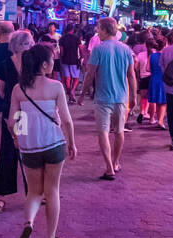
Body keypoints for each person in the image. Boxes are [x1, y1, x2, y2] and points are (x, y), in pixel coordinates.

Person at [10, 44, 77, 238]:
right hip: (53, 144)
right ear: (45, 64)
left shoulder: (18, 89)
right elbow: (66, 120)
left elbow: (14, 120)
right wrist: (72, 143)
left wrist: (17, 136)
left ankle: (29, 222)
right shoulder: (55, 86)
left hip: (29, 147)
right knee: (53, 190)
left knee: (34, 192)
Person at [85, 17, 136, 180]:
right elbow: (131, 75)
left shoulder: (98, 50)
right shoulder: (126, 49)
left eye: (99, 28)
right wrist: (133, 96)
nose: (97, 31)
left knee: (103, 133)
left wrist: (83, 93)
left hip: (103, 99)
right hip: (121, 97)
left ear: (106, 30)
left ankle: (109, 167)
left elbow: (90, 74)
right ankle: (115, 162)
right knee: (119, 131)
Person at [0, 30, 33, 213]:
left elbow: (2, 90)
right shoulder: (5, 65)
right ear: (18, 45)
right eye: (26, 44)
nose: (29, 47)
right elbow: (1, 89)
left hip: (24, 111)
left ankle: (32, 193)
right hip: (17, 112)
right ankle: (3, 196)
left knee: (25, 152)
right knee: (12, 152)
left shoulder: (32, 64)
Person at [146, 33, 167, 128]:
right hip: (162, 79)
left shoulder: (152, 56)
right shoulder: (165, 56)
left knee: (157, 101)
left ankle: (159, 119)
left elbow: (147, 69)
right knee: (163, 101)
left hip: (153, 79)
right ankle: (161, 121)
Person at [58, 23, 82, 98]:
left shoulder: (62, 38)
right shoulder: (76, 38)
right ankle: (72, 90)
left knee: (67, 77)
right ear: (72, 30)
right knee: (76, 77)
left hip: (65, 60)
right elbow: (80, 48)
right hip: (74, 60)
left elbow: (61, 51)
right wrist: (81, 57)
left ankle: (69, 91)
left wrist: (61, 58)